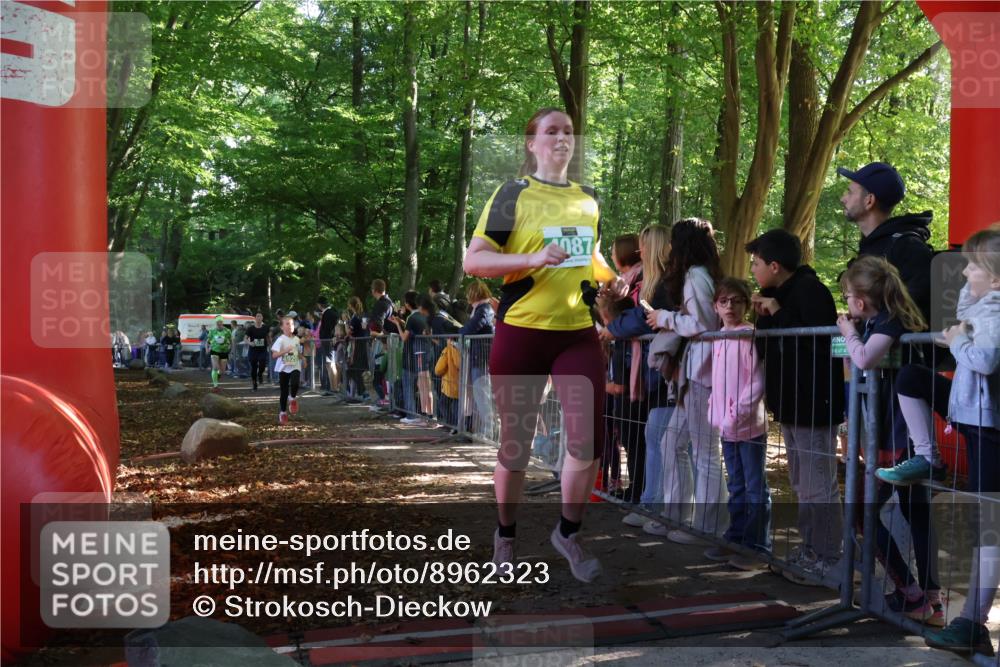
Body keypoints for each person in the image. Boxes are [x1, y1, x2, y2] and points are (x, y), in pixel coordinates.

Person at [463, 107, 625, 583]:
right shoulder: (513, 194)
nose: (562, 138)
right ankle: (505, 536)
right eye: (551, 131)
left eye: (569, 131)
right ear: (531, 144)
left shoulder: (588, 198)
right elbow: (475, 261)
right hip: (522, 331)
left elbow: (588, 254)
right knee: (515, 447)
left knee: (587, 441)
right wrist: (533, 257)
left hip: (575, 332)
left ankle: (568, 534)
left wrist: (611, 281)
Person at [836, 255, 942, 623]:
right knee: (914, 512)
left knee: (862, 513)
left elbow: (863, 359)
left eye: (849, 296)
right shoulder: (885, 320)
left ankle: (914, 594)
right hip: (892, 432)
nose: (847, 304)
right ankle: (928, 598)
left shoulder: (890, 322)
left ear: (861, 301)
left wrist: (847, 332)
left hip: (900, 437)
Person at [917, 225, 1000, 656]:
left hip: (990, 427)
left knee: (989, 529)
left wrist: (958, 339)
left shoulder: (995, 314)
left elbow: (984, 359)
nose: (964, 270)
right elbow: (968, 315)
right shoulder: (985, 306)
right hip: (979, 423)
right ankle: (971, 621)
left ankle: (972, 622)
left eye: (972, 265)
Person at [747, 229, 845, 584]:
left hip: (814, 404)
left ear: (775, 265)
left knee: (819, 483)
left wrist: (777, 311)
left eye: (756, 264)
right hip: (790, 404)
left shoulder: (810, 291)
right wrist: (768, 313)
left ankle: (831, 558)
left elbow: (823, 345)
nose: (753, 270)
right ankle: (812, 548)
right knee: (802, 482)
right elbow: (769, 347)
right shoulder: (778, 294)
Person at [643, 218, 727, 545]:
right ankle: (676, 515)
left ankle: (707, 526)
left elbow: (703, 323)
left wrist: (664, 318)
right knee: (671, 443)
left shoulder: (695, 276)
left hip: (703, 374)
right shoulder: (701, 275)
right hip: (694, 375)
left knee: (706, 451)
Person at [607, 224, 679, 528]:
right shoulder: (647, 283)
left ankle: (662, 508)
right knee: (645, 438)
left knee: (662, 443)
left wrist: (611, 326)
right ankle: (647, 500)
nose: (641, 251)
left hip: (659, 373)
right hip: (646, 371)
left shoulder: (663, 283)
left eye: (645, 245)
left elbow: (644, 320)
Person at [707, 278, 771, 570]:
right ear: (715, 306)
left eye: (736, 301)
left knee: (755, 486)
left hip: (749, 426)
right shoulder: (720, 335)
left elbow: (756, 381)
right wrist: (715, 410)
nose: (730, 307)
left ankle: (757, 545)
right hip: (727, 427)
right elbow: (718, 379)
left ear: (747, 305)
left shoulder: (748, 335)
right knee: (736, 485)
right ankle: (736, 537)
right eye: (724, 301)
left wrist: (736, 413)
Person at [838, 162, 933, 326]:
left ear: (869, 201)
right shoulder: (870, 248)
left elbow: (912, 308)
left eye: (850, 192)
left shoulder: (908, 248)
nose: (843, 198)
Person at [459, 279, 496, 436]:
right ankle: (484, 429)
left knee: (482, 395)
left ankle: (489, 431)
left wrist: (460, 331)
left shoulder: (484, 309)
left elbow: (473, 327)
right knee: (480, 395)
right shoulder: (482, 308)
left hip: (481, 358)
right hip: (478, 356)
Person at [390, 291, 428, 424]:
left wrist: (397, 325)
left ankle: (411, 415)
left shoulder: (412, 318)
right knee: (423, 387)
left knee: (408, 385)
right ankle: (425, 415)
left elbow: (404, 337)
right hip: (423, 355)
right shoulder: (424, 315)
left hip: (411, 355)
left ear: (407, 304)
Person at [271, 316, 301, 425]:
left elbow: (297, 352)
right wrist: (284, 351)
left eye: (292, 324)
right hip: (283, 368)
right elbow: (274, 355)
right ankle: (283, 413)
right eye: (287, 324)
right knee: (283, 392)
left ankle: (292, 398)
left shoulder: (297, 339)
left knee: (295, 383)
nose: (290, 326)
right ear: (282, 327)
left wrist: (303, 358)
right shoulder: (280, 339)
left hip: (295, 365)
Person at [317, 297, 339, 395]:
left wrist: (329, 337)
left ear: (319, 305)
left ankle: (334, 388)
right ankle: (333, 387)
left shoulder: (327, 313)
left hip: (328, 342)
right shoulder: (331, 312)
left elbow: (329, 328)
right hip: (328, 341)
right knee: (329, 364)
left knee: (331, 364)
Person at [245, 313, 269, 391]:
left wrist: (270, 344)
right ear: (255, 318)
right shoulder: (250, 328)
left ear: (262, 318)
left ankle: (260, 374)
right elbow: (245, 338)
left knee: (262, 364)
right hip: (253, 350)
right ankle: (254, 385)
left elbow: (268, 337)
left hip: (263, 350)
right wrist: (250, 343)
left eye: (260, 316)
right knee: (254, 368)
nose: (259, 318)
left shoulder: (265, 327)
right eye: (257, 316)